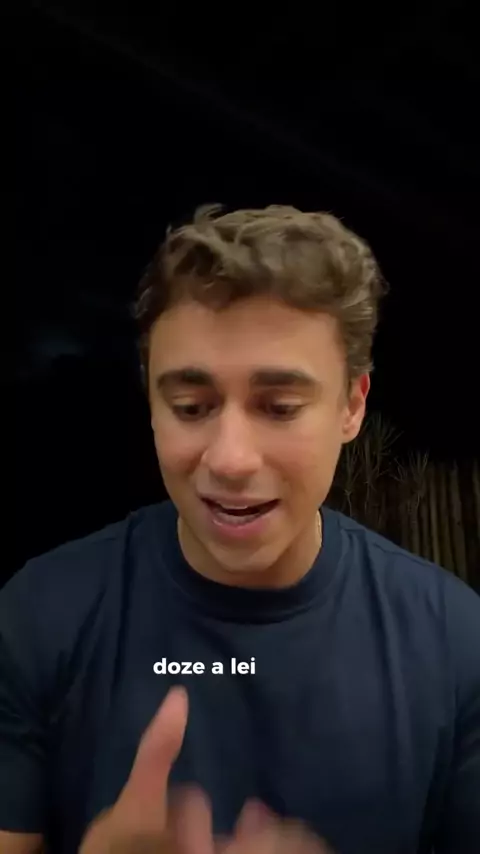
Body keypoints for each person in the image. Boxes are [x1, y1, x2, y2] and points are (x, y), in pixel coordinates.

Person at [1, 205, 479, 854]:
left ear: (352, 405)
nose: (229, 459)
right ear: (151, 407)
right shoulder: (38, 616)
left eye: (279, 407)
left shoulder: (456, 643)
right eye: (190, 407)